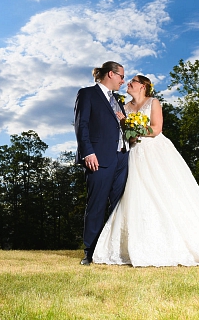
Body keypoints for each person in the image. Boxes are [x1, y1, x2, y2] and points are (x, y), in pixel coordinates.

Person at [92, 74, 199, 267]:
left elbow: (156, 129)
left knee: (168, 192)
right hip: (135, 154)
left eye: (132, 82)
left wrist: (131, 126)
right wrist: (125, 126)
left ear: (143, 86)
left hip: (156, 152)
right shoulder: (125, 108)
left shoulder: (153, 102)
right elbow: (124, 136)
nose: (128, 84)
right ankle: (143, 244)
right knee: (139, 194)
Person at [74, 61, 129, 266]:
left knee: (118, 206)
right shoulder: (87, 94)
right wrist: (88, 152)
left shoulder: (118, 100)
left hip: (122, 158)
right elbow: (82, 125)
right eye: (121, 76)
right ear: (110, 74)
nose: (123, 81)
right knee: (96, 205)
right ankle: (90, 252)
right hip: (98, 158)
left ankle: (113, 250)